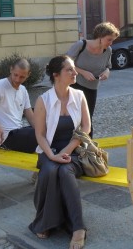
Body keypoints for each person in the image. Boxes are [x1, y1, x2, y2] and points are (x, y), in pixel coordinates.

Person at [29, 55, 90, 249]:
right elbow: (39, 134)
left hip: (75, 151)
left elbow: (86, 128)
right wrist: (52, 155)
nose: (75, 73)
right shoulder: (43, 100)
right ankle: (46, 222)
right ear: (56, 75)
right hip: (49, 149)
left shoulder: (79, 96)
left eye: (74, 69)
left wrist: (67, 150)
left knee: (64, 171)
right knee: (49, 170)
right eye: (69, 70)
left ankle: (78, 228)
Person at [67, 21, 119, 138]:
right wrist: (83, 72)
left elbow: (108, 66)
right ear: (100, 37)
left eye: (112, 40)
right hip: (75, 85)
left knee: (88, 118)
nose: (110, 43)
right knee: (73, 118)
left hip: (92, 87)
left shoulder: (108, 50)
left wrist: (106, 72)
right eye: (109, 39)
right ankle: (70, 147)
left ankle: (88, 148)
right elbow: (65, 63)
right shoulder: (81, 45)